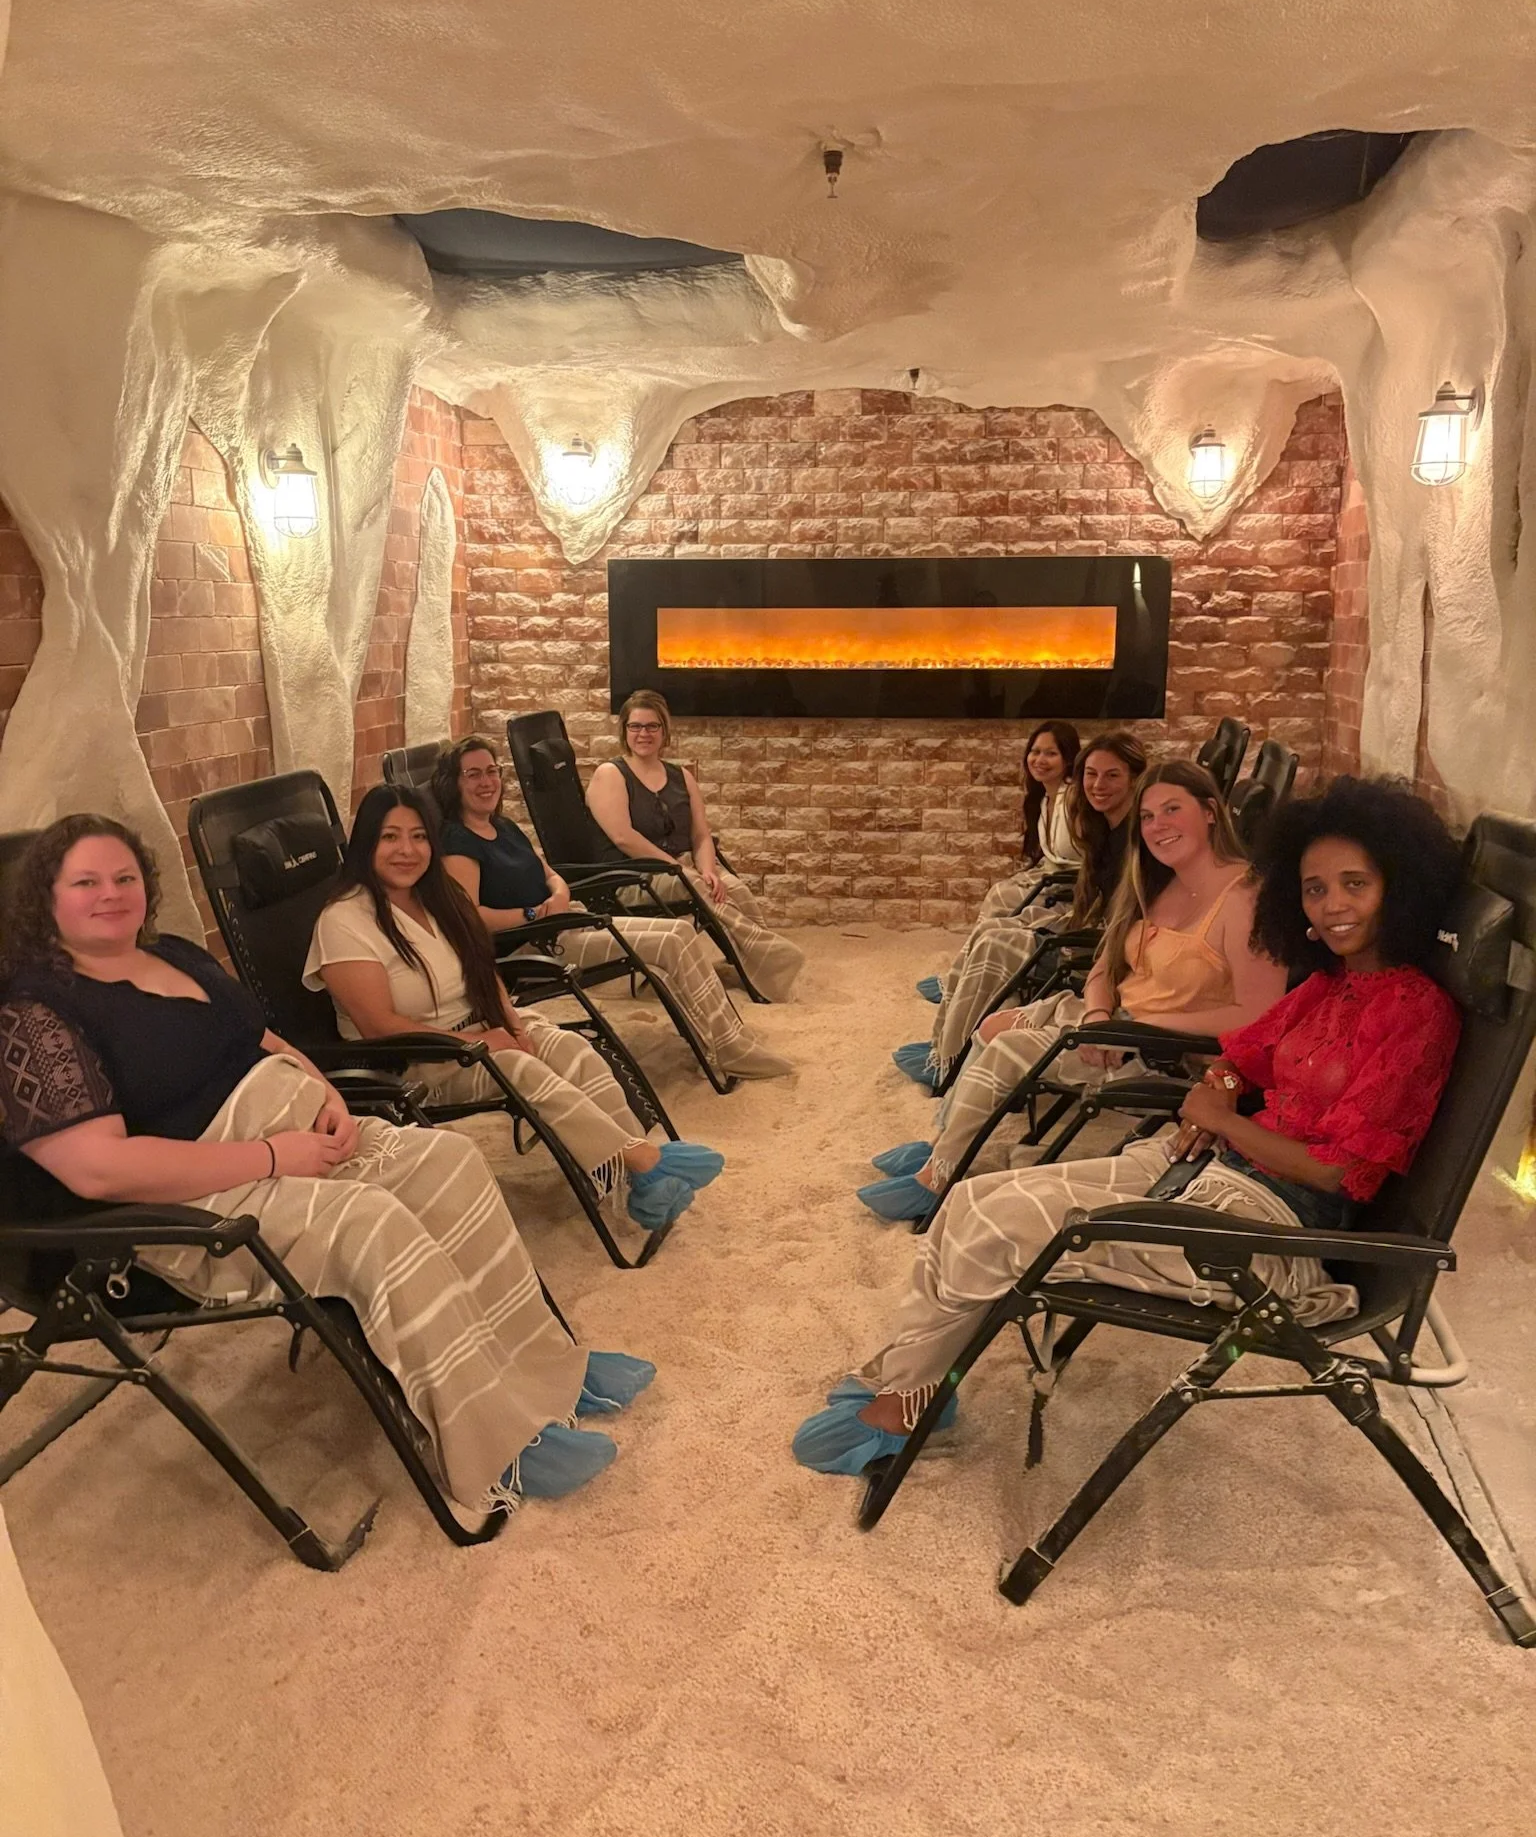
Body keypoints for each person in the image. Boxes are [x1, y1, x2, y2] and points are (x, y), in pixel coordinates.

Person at [795, 776, 1464, 1473]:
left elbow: (1341, 1172)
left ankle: (905, 1402)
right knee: (969, 1199)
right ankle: (913, 1381)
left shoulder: (1418, 1013)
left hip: (1264, 1238)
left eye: (1354, 884)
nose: (1331, 907)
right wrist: (1224, 1087)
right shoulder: (1330, 984)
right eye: (1316, 888)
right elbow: (1242, 1055)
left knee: (997, 1228)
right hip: (1204, 1177)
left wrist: (1220, 1120)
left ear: (1401, 884)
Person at [0, 815, 647, 1515]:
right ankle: (498, 1439)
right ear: (46, 897)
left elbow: (263, 1036)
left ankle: (544, 1365)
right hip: (198, 1203)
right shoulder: (35, 1014)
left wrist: (324, 1090)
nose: (112, 893)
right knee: (372, 1221)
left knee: (449, 1161)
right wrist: (277, 1153)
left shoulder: (176, 954)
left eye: (125, 876)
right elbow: (99, 1169)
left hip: (300, 1139)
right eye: (86, 881)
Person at [864, 759, 1287, 1220]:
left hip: (1167, 1051)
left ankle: (936, 1180)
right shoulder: (1157, 881)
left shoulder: (1245, 899)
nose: (1157, 826)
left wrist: (1133, 1026)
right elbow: (1105, 964)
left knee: (1008, 1051)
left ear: (1210, 811)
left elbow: (1258, 1015)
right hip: (1116, 1024)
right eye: (1147, 817)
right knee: (990, 1029)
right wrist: (1098, 1016)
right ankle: (942, 1150)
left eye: (1172, 809)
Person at [306, 785, 726, 1232]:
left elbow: (483, 971)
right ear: (366, 842)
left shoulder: (439, 897)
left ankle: (631, 1182)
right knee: (526, 1074)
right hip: (418, 1059)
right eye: (390, 837)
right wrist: (482, 1041)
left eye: (419, 836)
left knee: (572, 1051)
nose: (407, 850)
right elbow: (379, 1027)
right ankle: (645, 1162)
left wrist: (512, 1025)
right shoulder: (345, 921)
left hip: (483, 1029)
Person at [436, 735, 791, 1081]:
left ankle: (729, 1039)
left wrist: (558, 894)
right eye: (473, 774)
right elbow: (469, 917)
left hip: (564, 921)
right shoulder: (458, 841)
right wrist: (535, 915)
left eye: (492, 771)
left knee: (680, 932)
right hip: (536, 944)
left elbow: (549, 873)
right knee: (670, 941)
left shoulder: (503, 826)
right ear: (454, 784)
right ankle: (729, 1049)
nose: (487, 782)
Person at [902, 731, 1147, 1086]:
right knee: (992, 930)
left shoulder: (1137, 840)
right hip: (1090, 933)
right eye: (1091, 775)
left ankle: (950, 1064)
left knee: (996, 946)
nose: (1098, 785)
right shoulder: (1102, 828)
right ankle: (945, 1049)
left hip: (1105, 954)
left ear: (1135, 779)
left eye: (1113, 775)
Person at [586, 690, 805, 1003]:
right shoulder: (610, 774)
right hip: (630, 877)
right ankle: (772, 957)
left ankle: (755, 963)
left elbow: (701, 835)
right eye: (635, 726)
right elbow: (623, 838)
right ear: (624, 731)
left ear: (664, 731)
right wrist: (679, 869)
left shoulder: (680, 776)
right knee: (700, 891)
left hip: (675, 870)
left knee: (730, 887)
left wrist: (708, 869)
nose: (643, 734)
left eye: (652, 726)